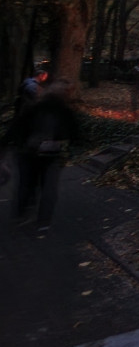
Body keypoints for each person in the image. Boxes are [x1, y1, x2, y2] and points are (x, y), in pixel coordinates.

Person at [2, 78, 80, 232]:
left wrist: (4, 149)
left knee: (26, 184)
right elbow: (75, 135)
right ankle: (43, 221)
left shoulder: (33, 107)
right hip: (52, 154)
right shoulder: (66, 112)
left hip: (27, 153)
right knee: (49, 187)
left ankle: (21, 213)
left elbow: (15, 129)